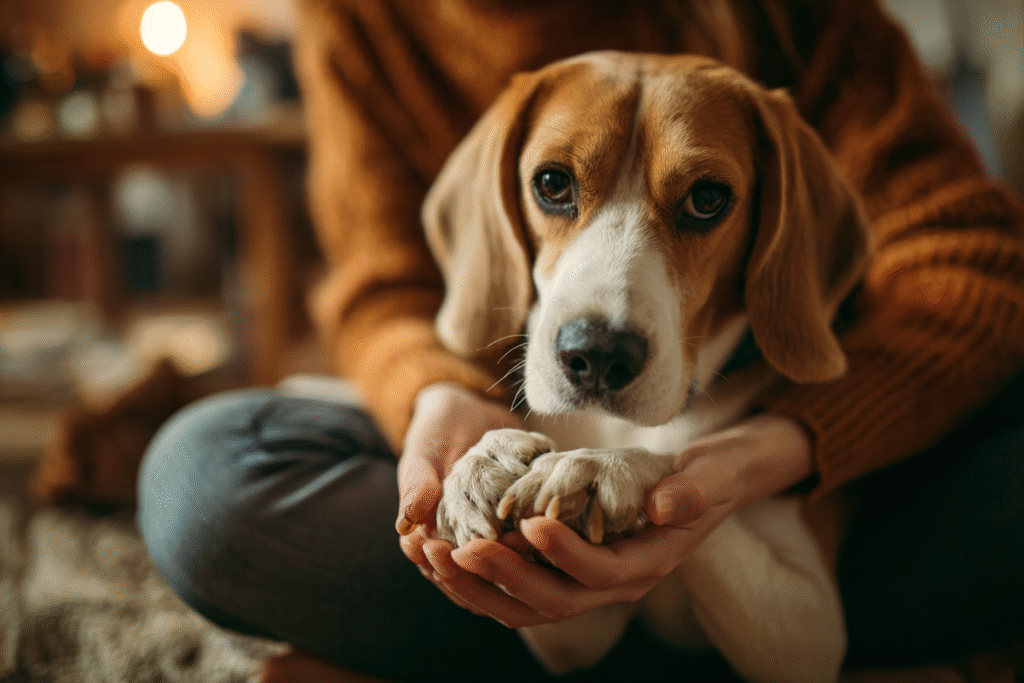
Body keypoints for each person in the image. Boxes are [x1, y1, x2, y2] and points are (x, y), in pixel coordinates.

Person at [137, 0, 1024, 680]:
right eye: (556, 186)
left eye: (703, 201)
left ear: (771, 226)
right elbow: (382, 283)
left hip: (803, 426)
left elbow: (974, 262)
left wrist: (741, 466)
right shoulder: (367, 19)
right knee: (199, 480)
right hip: (512, 400)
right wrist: (443, 401)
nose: (606, 322)